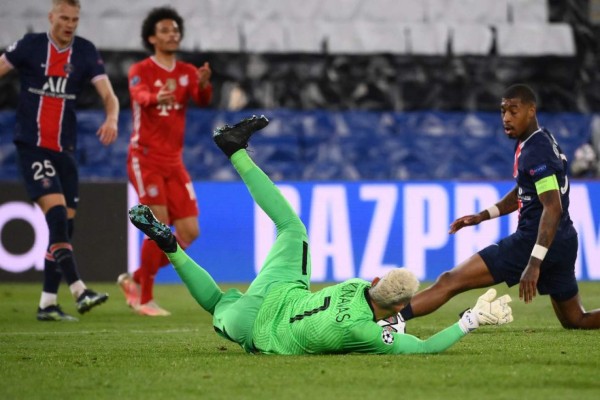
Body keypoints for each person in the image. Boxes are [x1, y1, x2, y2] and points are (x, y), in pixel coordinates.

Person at [128, 115, 514, 355]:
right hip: (254, 329)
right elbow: (426, 347)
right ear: (398, 309)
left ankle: (236, 152)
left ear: (376, 280)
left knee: (292, 227)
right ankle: (169, 246)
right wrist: (471, 321)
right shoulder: (362, 333)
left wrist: (392, 320)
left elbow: (382, 308)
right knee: (215, 304)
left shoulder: (356, 285)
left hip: (280, 292)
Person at [395, 84, 600, 331]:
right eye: (503, 111)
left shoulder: (536, 151)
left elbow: (552, 207)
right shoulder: (537, 139)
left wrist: (534, 263)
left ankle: (389, 321)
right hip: (563, 241)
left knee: (450, 280)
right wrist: (483, 216)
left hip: (532, 242)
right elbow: (525, 192)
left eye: (514, 111)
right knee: (576, 319)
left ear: (531, 111)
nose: (506, 118)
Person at [0, 0, 119, 321]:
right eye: (64, 18)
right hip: (33, 146)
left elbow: (109, 95)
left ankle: (47, 304)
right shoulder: (30, 46)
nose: (69, 24)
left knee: (64, 226)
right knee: (55, 216)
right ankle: (80, 289)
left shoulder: (84, 51)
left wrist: (112, 118)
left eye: (75, 19)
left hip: (65, 151)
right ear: (51, 17)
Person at [118, 7, 213, 316]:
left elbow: (202, 100)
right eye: (165, 30)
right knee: (158, 225)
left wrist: (203, 84)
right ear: (151, 37)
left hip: (174, 161)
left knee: (189, 232)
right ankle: (144, 298)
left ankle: (136, 278)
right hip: (145, 158)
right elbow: (139, 96)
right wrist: (153, 98)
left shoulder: (186, 71)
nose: (173, 34)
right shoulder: (140, 70)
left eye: (175, 29)